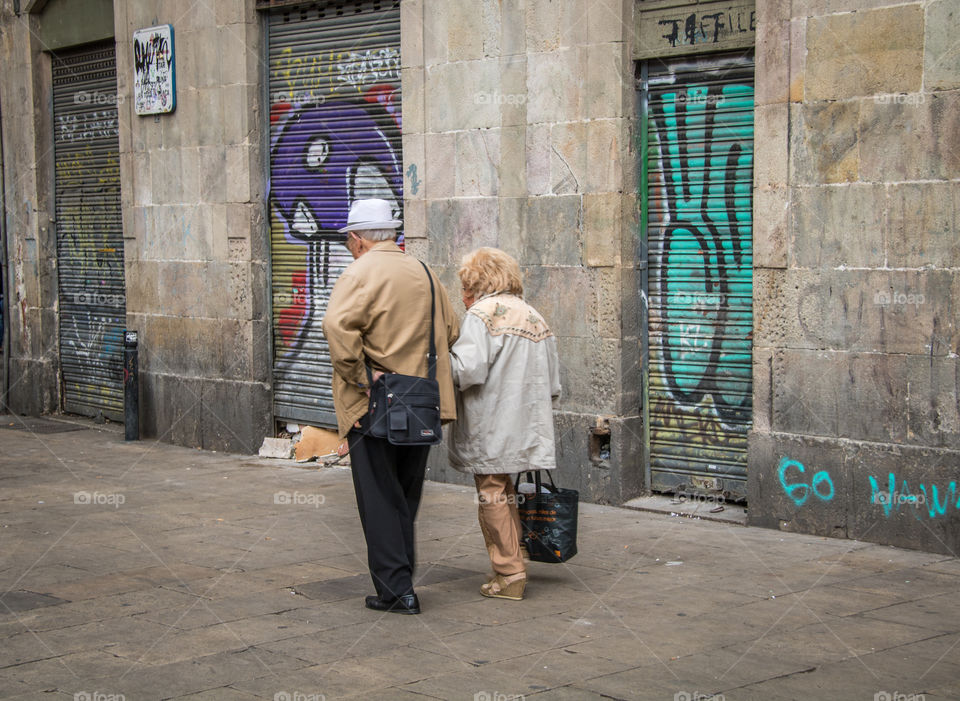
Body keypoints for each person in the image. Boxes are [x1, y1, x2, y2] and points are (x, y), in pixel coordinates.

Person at [322, 198, 459, 615]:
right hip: (420, 402)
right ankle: (401, 581)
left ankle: (397, 591)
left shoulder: (359, 272)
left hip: (374, 403)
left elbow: (336, 328)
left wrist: (363, 378)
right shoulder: (424, 271)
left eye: (349, 239)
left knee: (379, 495)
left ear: (358, 239)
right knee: (404, 493)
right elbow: (451, 329)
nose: (349, 246)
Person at [448, 247, 561, 601]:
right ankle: (515, 558)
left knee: (492, 492)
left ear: (478, 284)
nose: (463, 297)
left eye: (465, 288)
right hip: (526, 424)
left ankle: (509, 573)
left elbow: (466, 371)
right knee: (504, 489)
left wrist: (436, 360)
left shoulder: (483, 315)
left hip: (491, 424)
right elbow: (554, 385)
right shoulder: (533, 315)